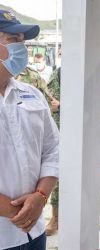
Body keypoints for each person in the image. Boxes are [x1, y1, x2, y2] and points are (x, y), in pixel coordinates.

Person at [0, 10, 59, 250]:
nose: (21, 48)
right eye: (13, 40)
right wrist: (22, 212)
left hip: (34, 233)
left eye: (23, 40)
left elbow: (53, 148)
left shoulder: (32, 94)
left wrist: (41, 197)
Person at [45, 67, 61, 236]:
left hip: (77, 136)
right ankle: (55, 218)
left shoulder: (86, 72)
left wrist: (62, 106)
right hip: (55, 132)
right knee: (54, 175)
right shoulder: (56, 75)